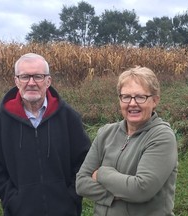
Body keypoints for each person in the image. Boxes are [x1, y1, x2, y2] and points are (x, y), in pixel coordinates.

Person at [0, 53, 91, 216]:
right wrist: (10, 196)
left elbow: (84, 159)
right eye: (24, 77)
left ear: (48, 81)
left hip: (65, 210)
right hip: (19, 211)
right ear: (16, 81)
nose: (31, 83)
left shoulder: (68, 117)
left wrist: (71, 195)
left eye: (38, 76)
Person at [76, 66, 178, 216]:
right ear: (120, 100)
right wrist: (117, 194)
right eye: (126, 97)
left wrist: (102, 174)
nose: (132, 103)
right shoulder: (106, 133)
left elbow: (141, 189)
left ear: (155, 100)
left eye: (140, 97)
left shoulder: (161, 136)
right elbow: (81, 183)